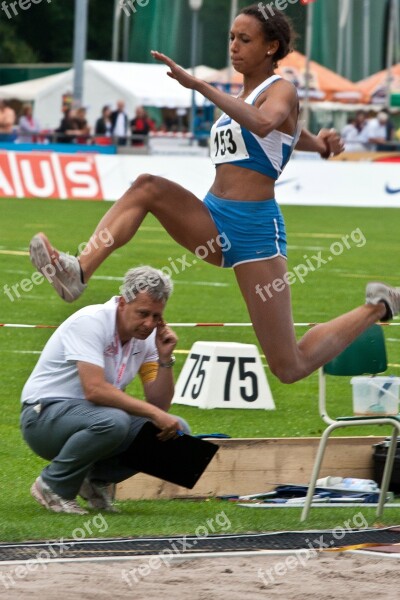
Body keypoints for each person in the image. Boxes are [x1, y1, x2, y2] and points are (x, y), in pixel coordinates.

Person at [29, 4, 400, 385]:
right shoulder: (245, 95)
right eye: (231, 38)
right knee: (147, 187)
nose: (233, 47)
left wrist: (199, 86)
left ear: (271, 46)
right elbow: (284, 132)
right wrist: (319, 144)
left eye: (245, 39)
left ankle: (379, 305)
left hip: (255, 232)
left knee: (289, 365)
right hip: (213, 217)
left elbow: (266, 121)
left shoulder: (282, 89)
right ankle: (79, 272)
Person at [20, 266, 189, 514]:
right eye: (143, 313)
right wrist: (154, 414)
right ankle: (52, 485)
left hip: (92, 420)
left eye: (156, 316)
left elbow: (159, 405)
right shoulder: (91, 322)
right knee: (115, 421)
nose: (149, 323)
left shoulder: (147, 339)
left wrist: (165, 358)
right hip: (42, 417)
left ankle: (94, 482)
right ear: (122, 303)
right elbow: (95, 390)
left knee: (177, 431)